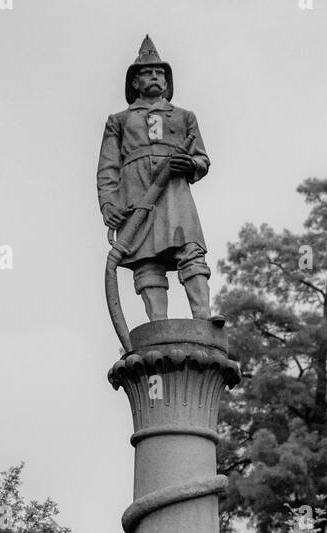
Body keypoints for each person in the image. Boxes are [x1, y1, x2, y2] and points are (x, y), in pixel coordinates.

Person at [97, 35, 213, 321]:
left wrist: (190, 164)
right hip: (136, 197)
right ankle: (158, 326)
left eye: (160, 73)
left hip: (175, 195)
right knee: (146, 261)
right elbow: (108, 167)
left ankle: (205, 318)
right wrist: (109, 205)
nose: (154, 77)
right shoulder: (119, 120)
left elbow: (202, 159)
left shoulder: (185, 117)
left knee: (191, 253)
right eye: (147, 72)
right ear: (135, 82)